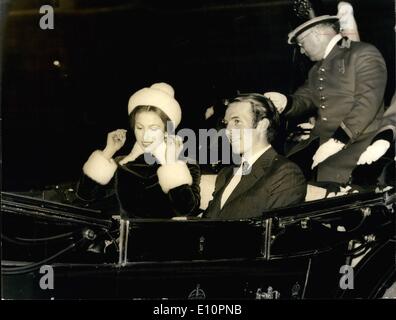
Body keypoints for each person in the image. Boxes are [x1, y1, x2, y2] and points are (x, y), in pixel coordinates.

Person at [267, 10, 387, 184]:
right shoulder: (316, 69)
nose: (301, 51)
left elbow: (368, 103)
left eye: (301, 43)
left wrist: (339, 140)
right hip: (320, 143)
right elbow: (305, 97)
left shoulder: (362, 53)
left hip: (357, 146)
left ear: (316, 33)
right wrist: (285, 102)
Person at [76, 83, 201, 219]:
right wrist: (108, 152)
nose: (145, 136)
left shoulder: (186, 166)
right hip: (126, 238)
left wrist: (170, 163)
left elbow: (188, 210)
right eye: (140, 128)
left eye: (153, 128)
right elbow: (85, 196)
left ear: (167, 130)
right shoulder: (122, 164)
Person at [204, 93, 307, 219]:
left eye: (237, 121)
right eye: (226, 123)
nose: (227, 130)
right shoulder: (225, 173)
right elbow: (209, 223)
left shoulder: (286, 173)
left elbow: (273, 233)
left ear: (262, 125)